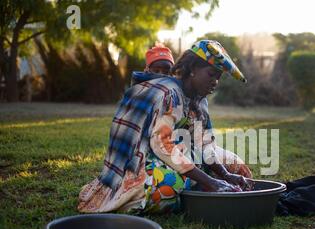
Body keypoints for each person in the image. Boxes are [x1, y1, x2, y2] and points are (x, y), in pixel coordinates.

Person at [78, 40, 253, 214]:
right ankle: (187, 192)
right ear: (192, 69)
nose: (215, 81)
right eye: (211, 74)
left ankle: (200, 188)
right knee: (169, 188)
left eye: (218, 77)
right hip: (141, 163)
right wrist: (210, 181)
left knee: (239, 170)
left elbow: (204, 143)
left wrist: (225, 175)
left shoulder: (200, 99)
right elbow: (161, 144)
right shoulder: (169, 93)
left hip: (181, 155)